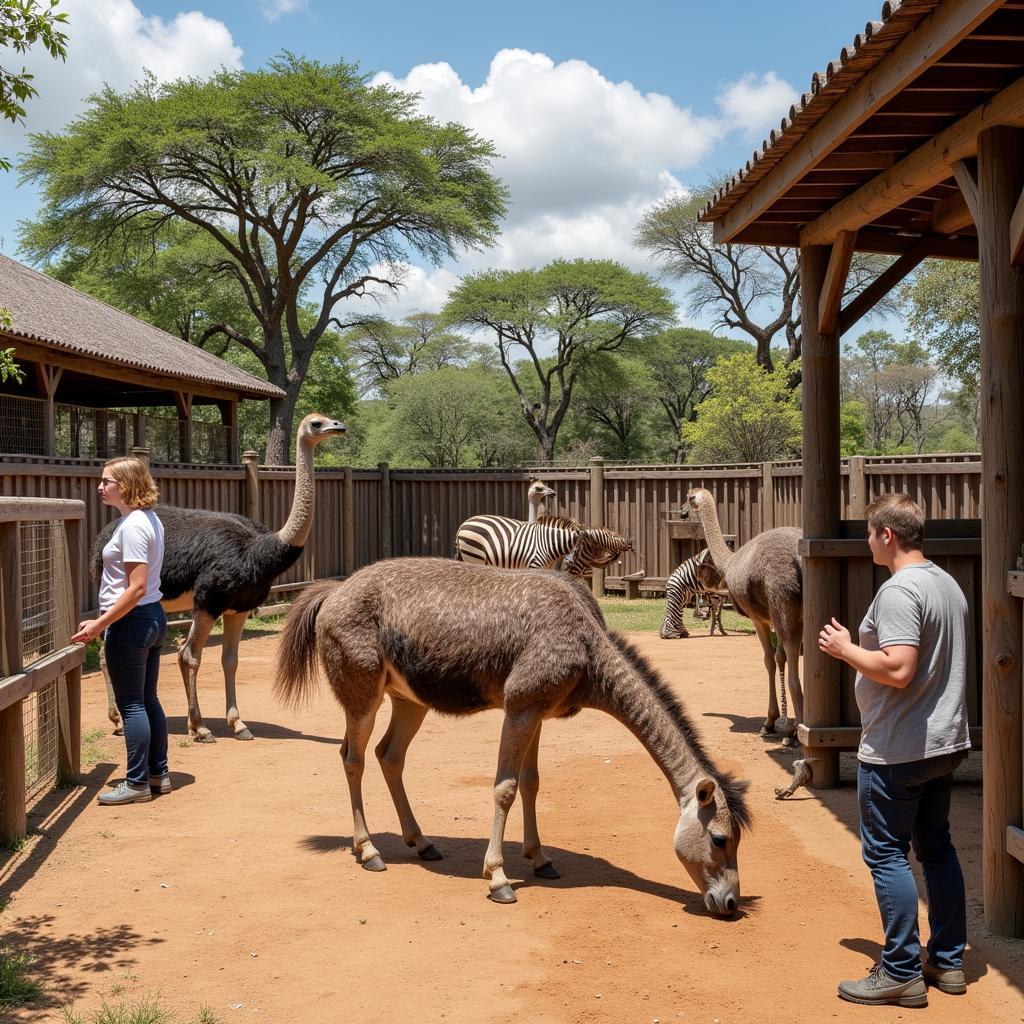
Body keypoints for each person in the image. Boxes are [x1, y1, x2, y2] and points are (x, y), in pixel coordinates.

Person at [818, 492, 970, 1009]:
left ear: (887, 535)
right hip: (942, 744)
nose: (865, 541)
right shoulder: (947, 584)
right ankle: (947, 963)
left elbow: (900, 668)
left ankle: (901, 970)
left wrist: (845, 651)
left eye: (868, 532)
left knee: (886, 854)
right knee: (938, 849)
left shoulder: (900, 591)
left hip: (897, 750)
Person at [71, 457, 169, 805]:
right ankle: (158, 774)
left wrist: (100, 623)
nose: (100, 487)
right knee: (147, 699)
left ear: (125, 486)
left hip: (133, 622)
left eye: (106, 481)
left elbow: (136, 587)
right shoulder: (148, 520)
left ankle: (137, 782)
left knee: (131, 704)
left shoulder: (132, 527)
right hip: (152, 619)